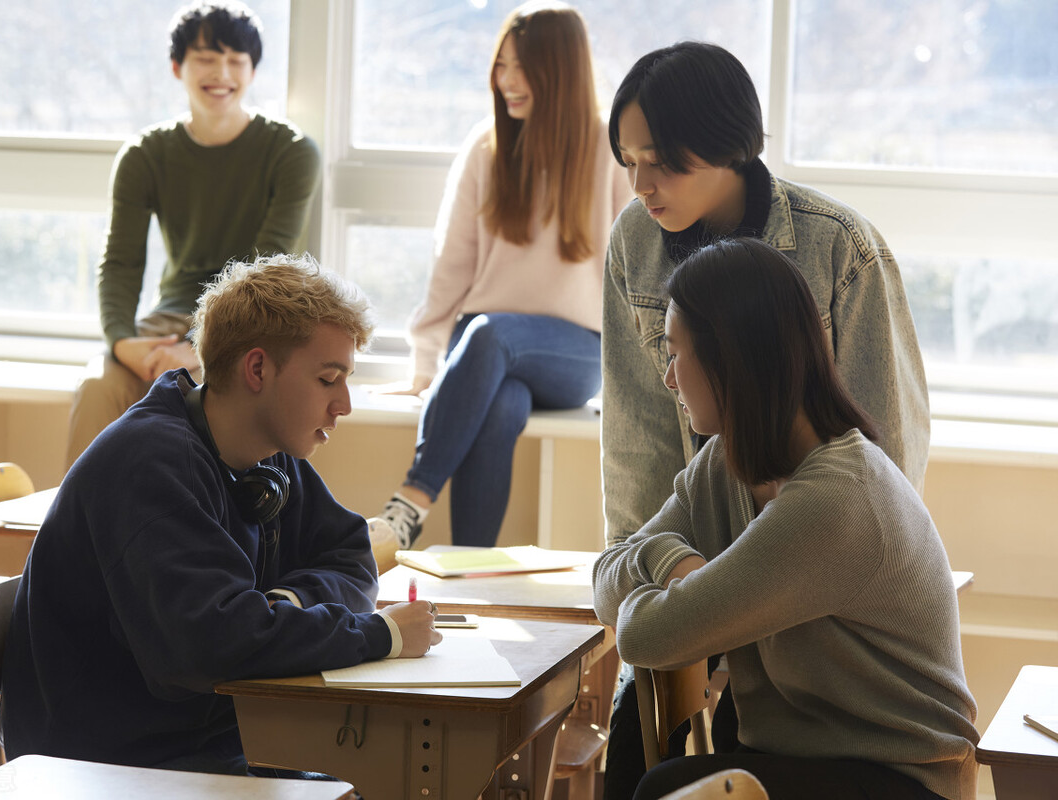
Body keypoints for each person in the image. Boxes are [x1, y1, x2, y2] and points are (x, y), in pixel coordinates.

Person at [599, 41, 932, 798]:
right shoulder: (634, 242)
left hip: (809, 563)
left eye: (661, 161)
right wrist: (664, 561)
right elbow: (637, 440)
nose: (641, 185)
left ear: (723, 144)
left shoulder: (837, 246)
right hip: (706, 555)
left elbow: (885, 445)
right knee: (638, 738)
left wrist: (705, 591)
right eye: (627, 160)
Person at [1, 254, 442, 776]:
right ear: (257, 369)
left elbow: (350, 554)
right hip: (108, 765)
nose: (343, 404)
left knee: (388, 775)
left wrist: (284, 603)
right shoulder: (150, 463)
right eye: (328, 379)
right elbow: (208, 646)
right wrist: (381, 635)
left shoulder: (267, 452)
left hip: (209, 740)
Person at [594, 238, 978, 800]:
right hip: (800, 757)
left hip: (902, 778)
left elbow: (641, 632)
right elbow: (608, 579)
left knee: (665, 787)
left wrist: (668, 578)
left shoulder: (835, 498)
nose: (670, 379)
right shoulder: (725, 464)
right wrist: (672, 559)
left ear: (730, 359)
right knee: (667, 774)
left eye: (676, 354)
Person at [369, 0, 632, 549]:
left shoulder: (610, 151)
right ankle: (469, 574)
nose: (506, 81)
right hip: (483, 355)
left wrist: (642, 383)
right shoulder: (486, 147)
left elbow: (637, 274)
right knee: (502, 403)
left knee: (492, 333)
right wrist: (425, 362)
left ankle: (409, 505)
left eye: (522, 67)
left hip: (575, 353)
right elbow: (452, 265)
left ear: (560, 71)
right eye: (501, 65)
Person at [65, 0, 321, 467]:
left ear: (252, 70)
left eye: (235, 60)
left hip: (255, 325)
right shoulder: (145, 155)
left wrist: (202, 348)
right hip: (169, 322)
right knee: (99, 386)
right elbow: (121, 263)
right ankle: (77, 534)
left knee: (228, 398)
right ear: (177, 66)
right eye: (206, 58)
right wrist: (125, 343)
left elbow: (267, 271)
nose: (221, 72)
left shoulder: (291, 152)